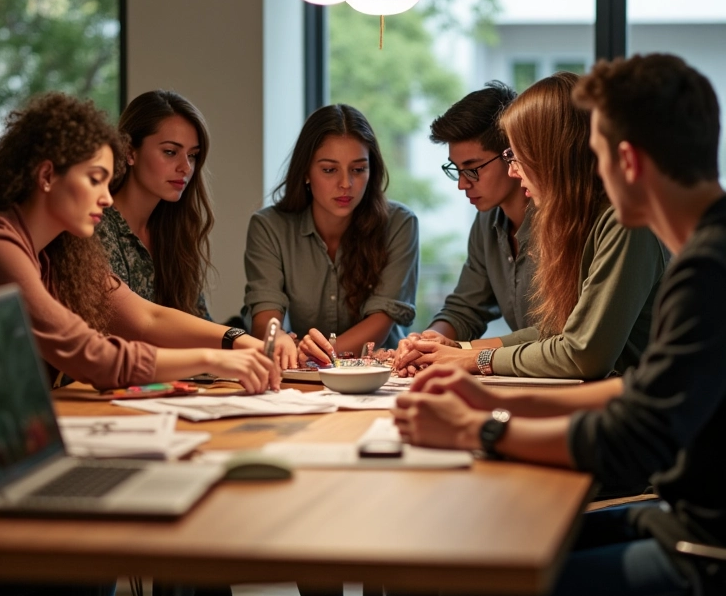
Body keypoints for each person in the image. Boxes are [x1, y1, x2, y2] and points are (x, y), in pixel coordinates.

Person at [392, 53, 726, 596]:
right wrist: (490, 398)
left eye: (593, 155)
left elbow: (628, 438)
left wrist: (481, 428)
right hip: (675, 523)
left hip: (699, 552)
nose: (521, 173)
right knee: (460, 553)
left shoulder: (708, 270)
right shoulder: (706, 251)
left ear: (627, 162)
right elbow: (636, 391)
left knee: (452, 583)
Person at [0, 92, 283, 393]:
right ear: (46, 176)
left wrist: (236, 341)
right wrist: (213, 358)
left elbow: (144, 317)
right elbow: (90, 355)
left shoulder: (61, 249)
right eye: (95, 179)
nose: (104, 196)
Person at [396, 71, 667, 380]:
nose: (514, 171)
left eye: (518, 156)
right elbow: (552, 334)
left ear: (556, 154)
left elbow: (582, 354)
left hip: (649, 417)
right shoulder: (573, 217)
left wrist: (474, 358)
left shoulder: (624, 221)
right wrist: (459, 350)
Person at [244, 103, 419, 362]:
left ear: (372, 171)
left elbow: (380, 322)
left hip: (381, 373)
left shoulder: (399, 223)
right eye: (329, 170)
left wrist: (314, 355)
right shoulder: (268, 226)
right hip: (305, 374)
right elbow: (265, 316)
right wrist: (277, 338)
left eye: (358, 169)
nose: (346, 184)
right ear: (305, 172)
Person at [394, 81, 533, 377]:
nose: (462, 183)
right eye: (455, 170)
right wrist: (428, 340)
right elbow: (467, 307)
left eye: (473, 168)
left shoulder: (565, 220)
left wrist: (464, 352)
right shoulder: (487, 221)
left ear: (512, 154)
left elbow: (559, 335)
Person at [97, 89, 215, 321]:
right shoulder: (96, 226)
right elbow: (137, 325)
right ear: (129, 152)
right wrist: (239, 341)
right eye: (170, 152)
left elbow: (200, 322)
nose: (186, 167)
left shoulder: (174, 231)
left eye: (192, 155)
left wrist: (259, 347)